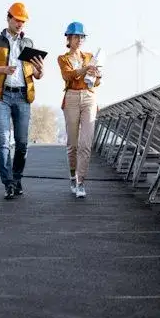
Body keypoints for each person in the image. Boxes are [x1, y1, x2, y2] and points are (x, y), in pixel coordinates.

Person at [0, 2, 45, 199]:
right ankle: (8, 183)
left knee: (23, 143)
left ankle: (17, 179)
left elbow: (36, 74)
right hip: (1, 96)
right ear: (8, 18)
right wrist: (3, 69)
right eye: (17, 20)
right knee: (3, 141)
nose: (20, 24)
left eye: (23, 21)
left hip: (23, 95)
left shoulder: (29, 44)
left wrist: (41, 70)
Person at [57, 21, 101, 198]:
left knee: (86, 143)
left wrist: (96, 75)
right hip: (72, 98)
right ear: (69, 38)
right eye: (76, 36)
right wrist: (85, 69)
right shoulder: (63, 58)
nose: (80, 39)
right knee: (73, 145)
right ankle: (72, 176)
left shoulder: (89, 56)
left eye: (82, 36)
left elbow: (95, 82)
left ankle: (81, 181)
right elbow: (68, 75)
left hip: (89, 97)